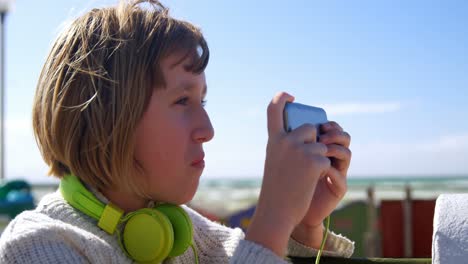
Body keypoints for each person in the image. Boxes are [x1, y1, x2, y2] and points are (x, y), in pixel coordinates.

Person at [0, 0, 354, 263]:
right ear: (105, 115)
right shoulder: (37, 245)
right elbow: (258, 251)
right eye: (183, 101)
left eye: (204, 102)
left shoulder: (184, 231)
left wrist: (301, 226)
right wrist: (273, 219)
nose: (208, 130)